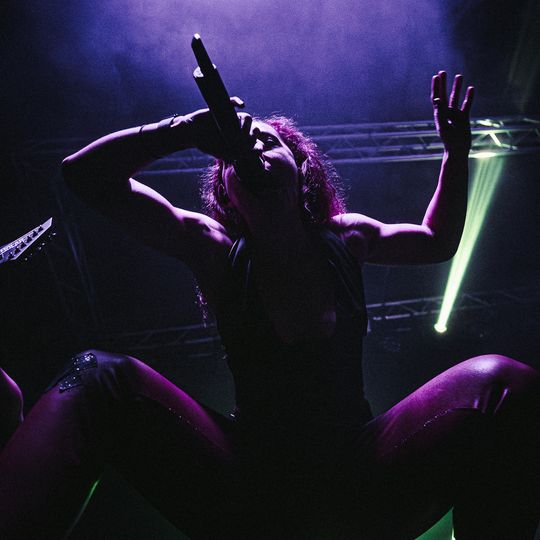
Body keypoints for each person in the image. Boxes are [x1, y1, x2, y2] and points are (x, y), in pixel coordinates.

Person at [1, 71, 539, 539]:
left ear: (301, 168)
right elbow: (83, 176)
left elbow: (437, 240)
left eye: (266, 140)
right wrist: (184, 130)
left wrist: (455, 155)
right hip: (248, 483)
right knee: (97, 376)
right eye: (235, 150)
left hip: (359, 474)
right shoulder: (213, 248)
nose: (251, 147)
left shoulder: (347, 237)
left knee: (504, 383)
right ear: (226, 190)